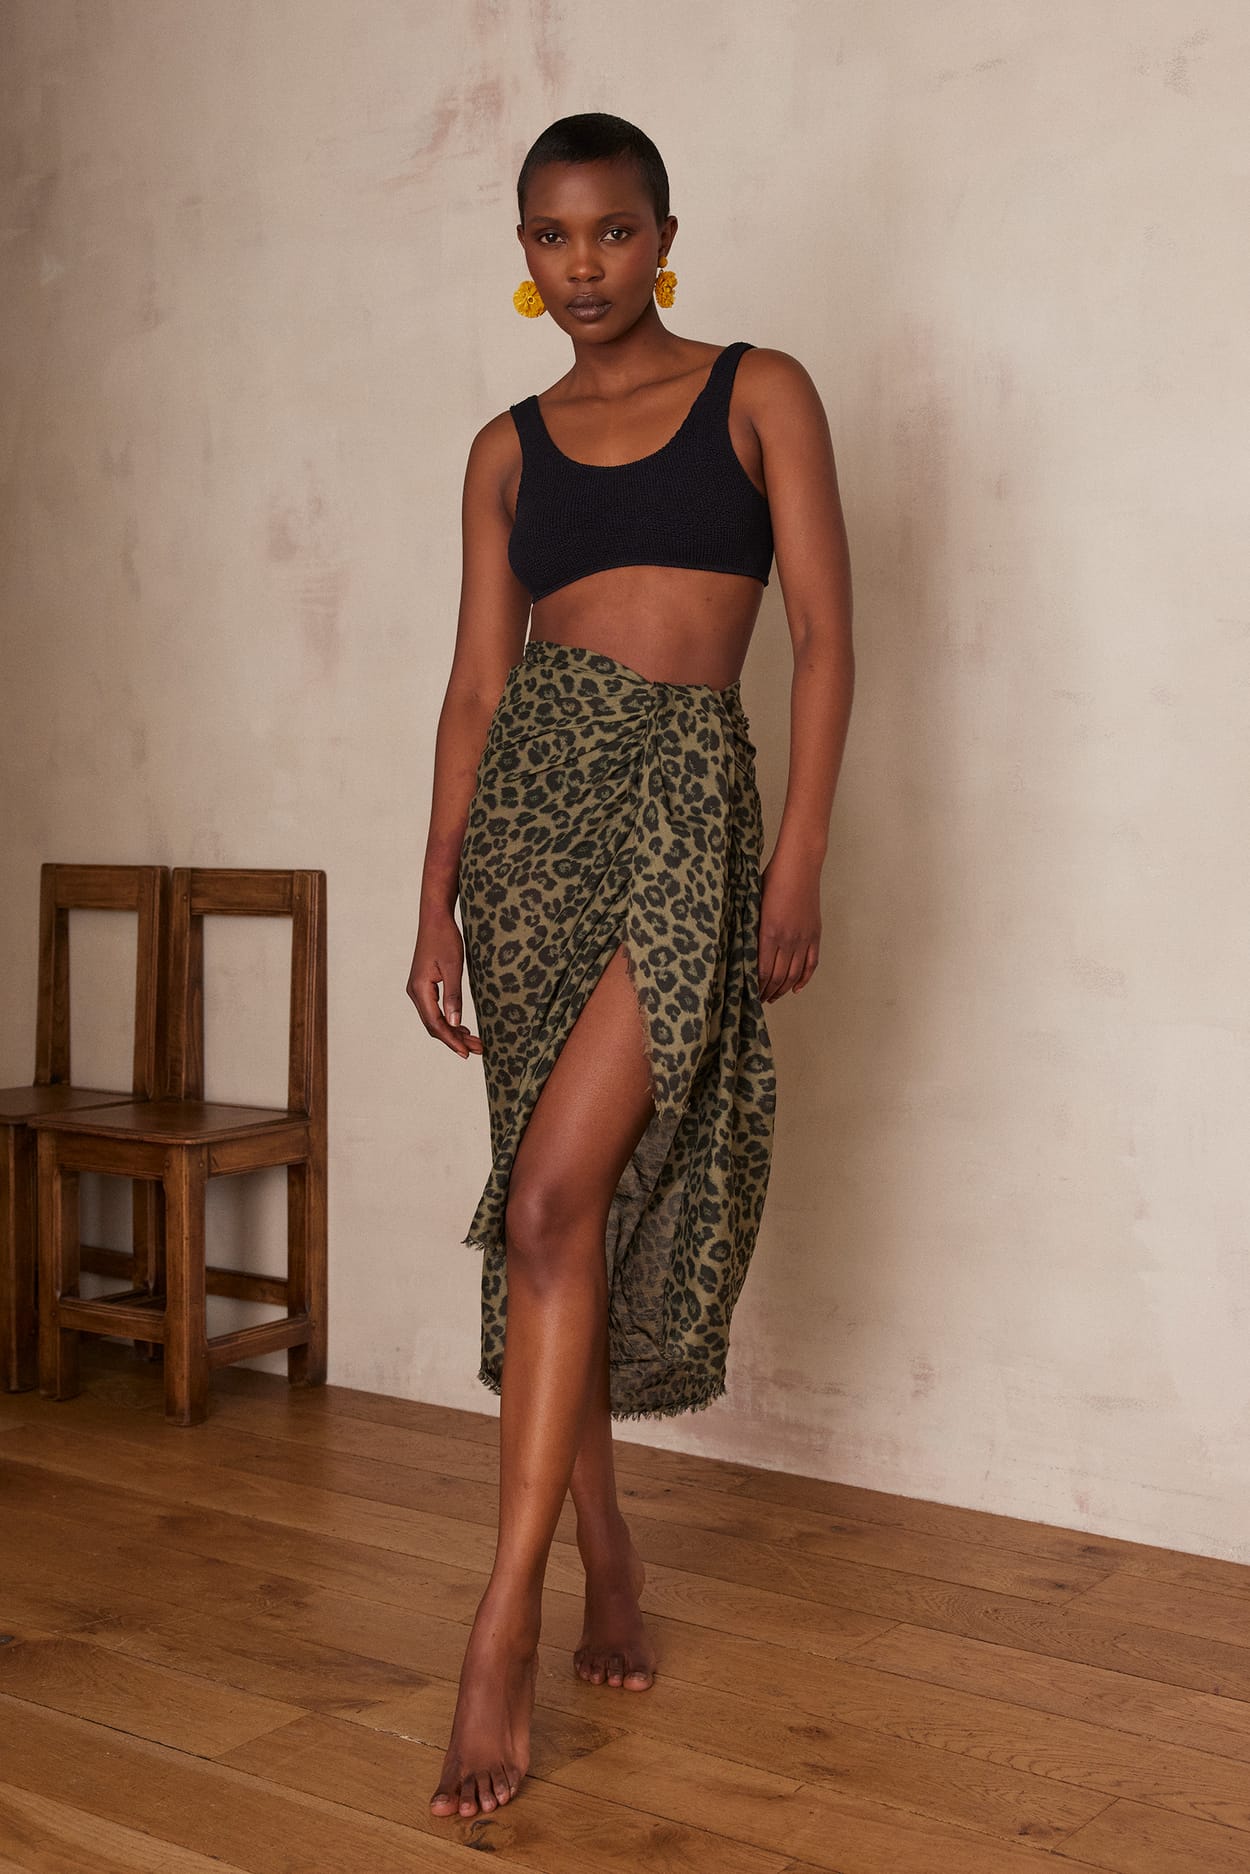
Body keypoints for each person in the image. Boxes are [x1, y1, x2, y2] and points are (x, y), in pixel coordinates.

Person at [406, 111, 854, 1822]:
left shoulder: (759, 391)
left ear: (662, 233)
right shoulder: (506, 449)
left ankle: (495, 1627)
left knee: (550, 1202)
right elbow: (474, 687)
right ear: (522, 252)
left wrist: (795, 853)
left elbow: (822, 636)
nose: (580, 263)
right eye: (549, 235)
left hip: (684, 803)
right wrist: (435, 896)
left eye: (608, 231)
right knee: (555, 1216)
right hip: (529, 823)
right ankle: (603, 1548)